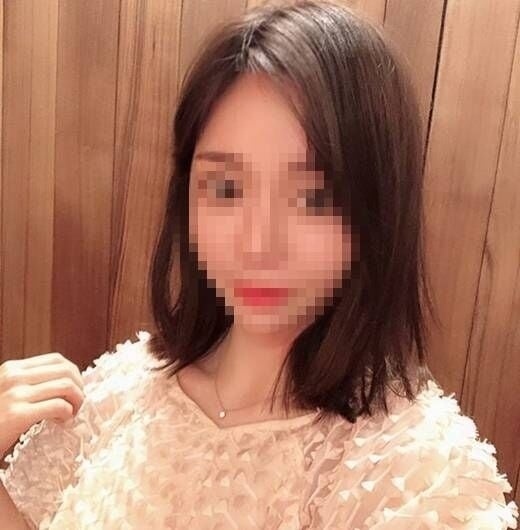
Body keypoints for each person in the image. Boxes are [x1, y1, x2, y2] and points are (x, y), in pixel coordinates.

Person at [0, 1, 518, 528]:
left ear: (379, 211)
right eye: (226, 188)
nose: (258, 244)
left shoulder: (418, 478)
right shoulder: (123, 386)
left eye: (315, 197)